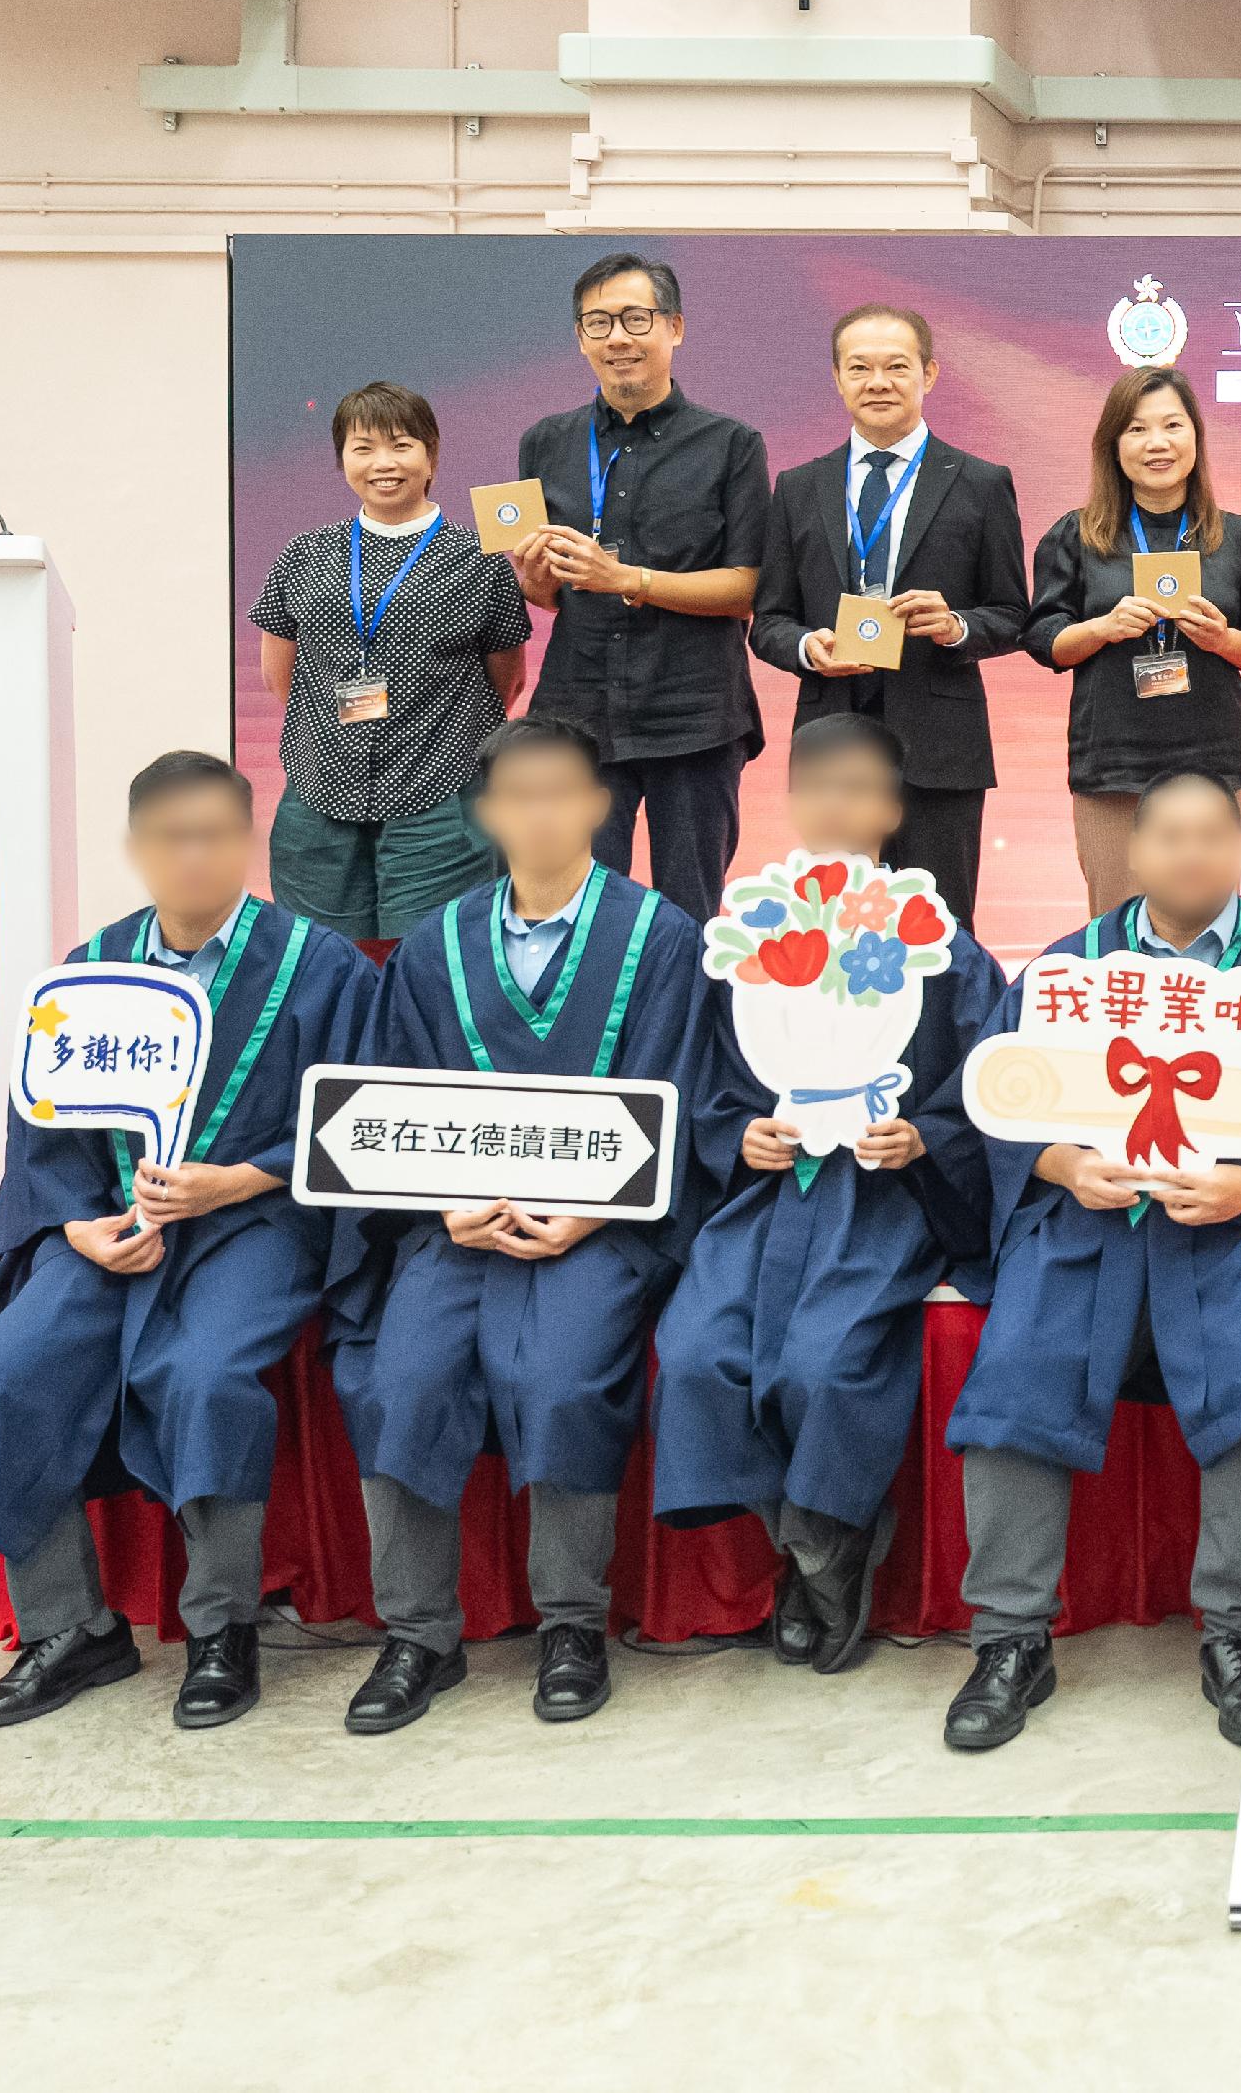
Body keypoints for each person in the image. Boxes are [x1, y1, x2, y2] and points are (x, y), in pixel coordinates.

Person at [940, 772, 1241, 1752]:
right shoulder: (1072, 971)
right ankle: (1009, 1637)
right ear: (1133, 849)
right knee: (1019, 1365)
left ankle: (1240, 1631)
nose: (1191, 854)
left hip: (1240, 1224)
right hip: (1091, 1219)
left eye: (1212, 835)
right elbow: (995, 1098)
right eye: (1169, 835)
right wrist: (1062, 1163)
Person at [326, 716, 756, 1734]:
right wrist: (440, 1201)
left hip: (598, 1229)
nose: (540, 814)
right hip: (458, 1224)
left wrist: (589, 1213)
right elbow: (393, 1098)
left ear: (599, 804)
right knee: (402, 1378)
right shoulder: (434, 945)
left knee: (563, 1378)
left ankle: (571, 1624)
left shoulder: (662, 938)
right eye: (517, 795)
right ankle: (418, 1634)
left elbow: (684, 1096)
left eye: (561, 791)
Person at [0, 753, 379, 1730]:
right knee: (12, 1369)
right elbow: (44, 1131)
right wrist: (74, 1225)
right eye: (170, 836)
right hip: (109, 1222)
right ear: (137, 847)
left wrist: (243, 1177)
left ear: (247, 838)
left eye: (213, 833)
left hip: (255, 1221)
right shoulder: (88, 971)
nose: (192, 855)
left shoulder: (321, 966)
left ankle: (222, 1628)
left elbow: (355, 1115)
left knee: (205, 1375)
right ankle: (71, 1627)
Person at [651, 716, 1014, 1677]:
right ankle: (801, 1537)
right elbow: (703, 1078)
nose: (837, 806)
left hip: (880, 1195)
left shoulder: (942, 949)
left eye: (859, 788)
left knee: (828, 1361)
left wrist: (925, 1135)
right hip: (765, 1195)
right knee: (696, 1352)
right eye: (818, 786)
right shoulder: (745, 940)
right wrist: (736, 1133)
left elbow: (988, 1086)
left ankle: (828, 1547)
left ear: (893, 807)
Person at [508, 251, 776, 919]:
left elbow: (748, 587)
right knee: (574, 910)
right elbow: (545, 595)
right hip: (577, 711)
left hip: (694, 714)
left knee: (689, 913)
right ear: (580, 339)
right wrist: (534, 578)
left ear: (674, 327)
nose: (617, 338)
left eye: (635, 318)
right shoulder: (544, 442)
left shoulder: (732, 444)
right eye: (597, 323)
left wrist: (629, 579)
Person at [747, 304, 1031, 927]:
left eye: (897, 366)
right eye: (860, 368)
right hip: (832, 740)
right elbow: (768, 622)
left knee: (940, 928)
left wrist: (956, 625)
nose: (878, 382)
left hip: (940, 744)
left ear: (929, 374)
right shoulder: (799, 486)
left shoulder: (981, 483)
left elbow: (1013, 614)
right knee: (837, 930)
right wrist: (808, 648)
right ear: (837, 378)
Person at [250, 383, 532, 948]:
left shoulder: (479, 559)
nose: (383, 463)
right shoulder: (304, 554)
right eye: (363, 448)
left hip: (442, 796)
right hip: (319, 790)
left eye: (401, 445)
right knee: (320, 962)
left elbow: (507, 681)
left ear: (431, 457)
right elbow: (280, 677)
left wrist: (439, 734)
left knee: (431, 964)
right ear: (342, 461)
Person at [1026, 364, 1241, 923]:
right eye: (1137, 429)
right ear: (1113, 445)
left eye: (1172, 425)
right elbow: (1045, 640)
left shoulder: (1238, 537)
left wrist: (1223, 640)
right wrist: (1101, 629)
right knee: (1117, 932)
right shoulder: (1077, 535)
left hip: (1211, 762)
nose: (1157, 443)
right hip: (1112, 764)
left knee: (1207, 926)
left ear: (1196, 437)